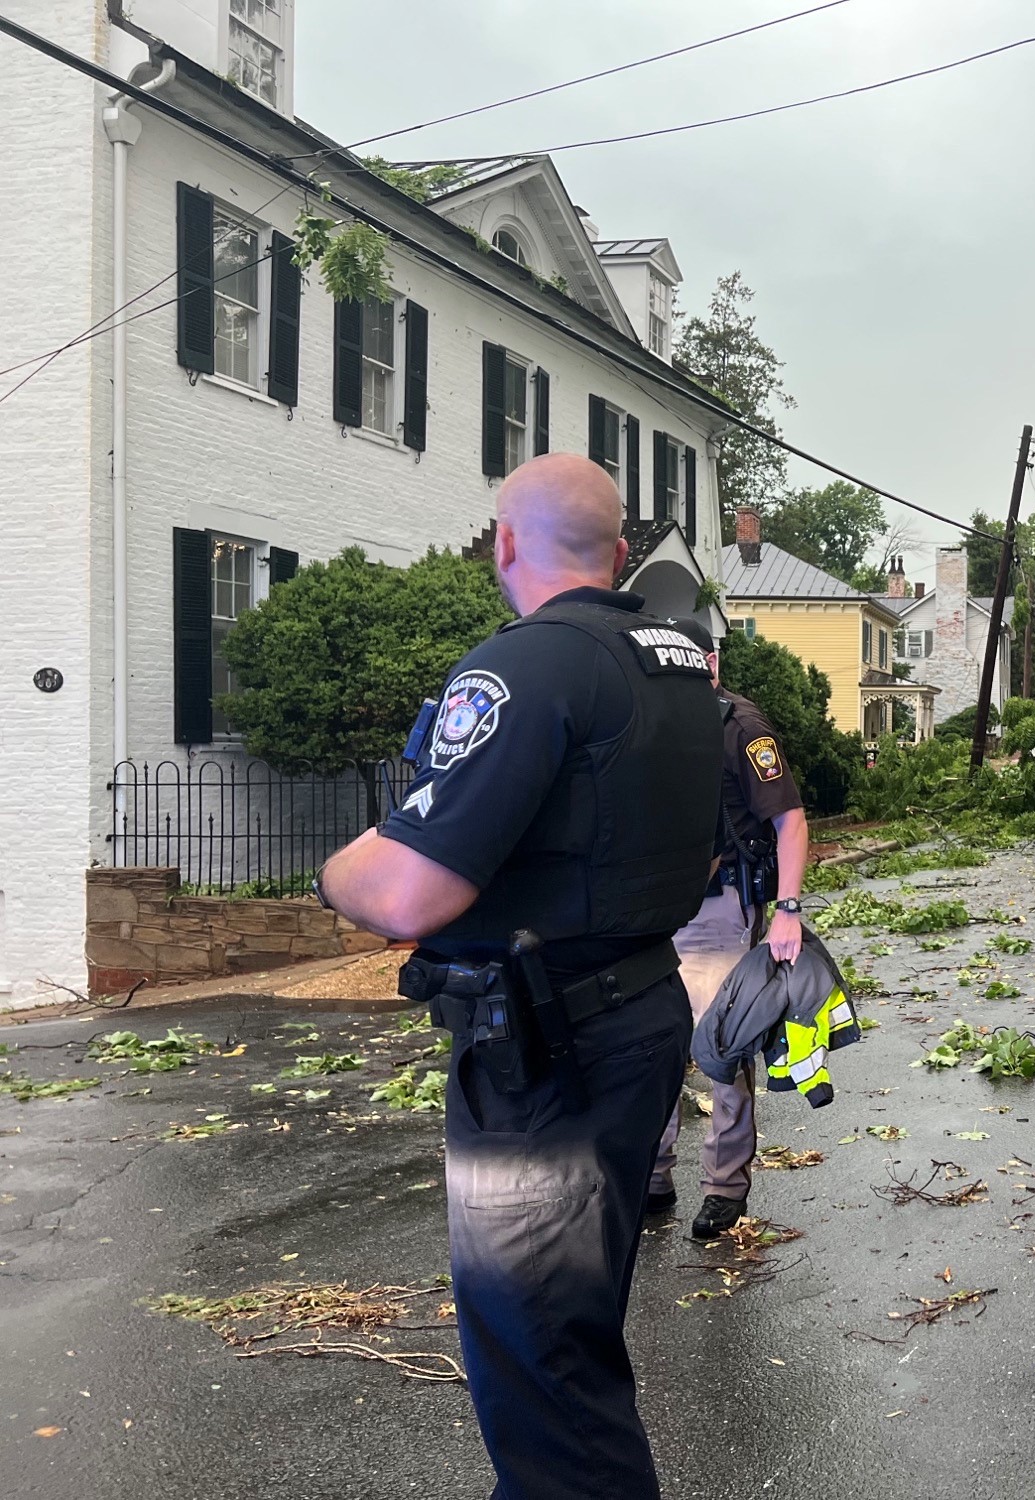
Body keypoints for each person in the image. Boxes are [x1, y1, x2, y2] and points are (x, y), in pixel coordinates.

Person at [314, 453, 722, 1500]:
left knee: (541, 1371)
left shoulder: (526, 667)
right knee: (567, 1333)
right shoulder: (674, 663)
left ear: (502, 542)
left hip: (546, 1054)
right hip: (634, 1014)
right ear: (621, 552)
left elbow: (407, 894)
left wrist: (336, 869)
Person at [648, 626, 810, 1241]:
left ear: (710, 661)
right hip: (655, 914)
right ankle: (653, 1176)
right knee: (654, 1046)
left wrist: (788, 908)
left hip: (720, 913)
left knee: (721, 1047)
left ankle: (723, 1188)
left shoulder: (740, 725)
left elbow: (790, 821)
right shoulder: (652, 719)